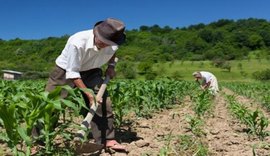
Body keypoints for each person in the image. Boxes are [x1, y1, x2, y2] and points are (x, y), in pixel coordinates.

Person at [33, 18, 127, 153]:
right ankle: (38, 140)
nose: (105, 45)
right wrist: (90, 95)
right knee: (51, 104)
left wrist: (111, 66)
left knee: (104, 102)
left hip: (92, 70)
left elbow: (113, 53)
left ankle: (107, 139)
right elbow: (73, 73)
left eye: (109, 43)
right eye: (103, 41)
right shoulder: (77, 42)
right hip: (66, 71)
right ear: (96, 33)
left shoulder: (114, 42)